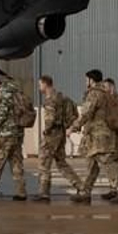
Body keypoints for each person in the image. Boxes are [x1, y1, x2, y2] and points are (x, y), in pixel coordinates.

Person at [70, 68, 118, 204]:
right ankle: (85, 192)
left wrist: (73, 127)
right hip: (100, 135)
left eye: (86, 79)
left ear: (91, 80)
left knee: (106, 162)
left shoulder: (94, 94)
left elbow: (86, 113)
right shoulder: (106, 93)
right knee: (92, 165)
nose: (85, 82)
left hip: (99, 135)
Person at [35, 74, 81, 202]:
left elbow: (50, 119)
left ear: (45, 84)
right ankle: (81, 187)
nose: (39, 87)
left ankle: (44, 192)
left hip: (52, 134)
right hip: (61, 133)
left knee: (44, 163)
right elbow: (74, 111)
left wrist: (46, 131)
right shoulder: (62, 97)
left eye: (40, 85)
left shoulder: (50, 99)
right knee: (61, 163)